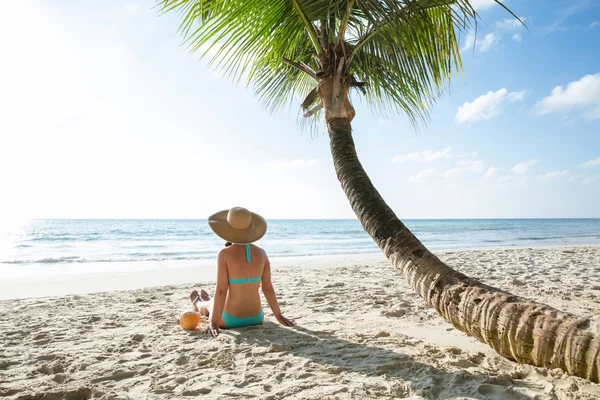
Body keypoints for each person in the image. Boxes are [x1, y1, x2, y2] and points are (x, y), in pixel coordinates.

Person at [190, 206, 295, 337]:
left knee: (207, 307)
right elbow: (267, 288)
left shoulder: (224, 254)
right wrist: (278, 315)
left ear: (227, 230)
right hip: (256, 317)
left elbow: (221, 290)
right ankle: (207, 300)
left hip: (229, 319)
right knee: (214, 302)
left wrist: (213, 322)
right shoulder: (262, 253)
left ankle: (198, 302)